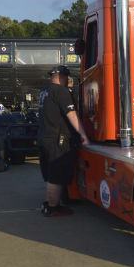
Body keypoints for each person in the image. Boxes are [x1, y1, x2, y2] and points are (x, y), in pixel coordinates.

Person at [38, 65, 89, 217]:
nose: (68, 81)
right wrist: (83, 135)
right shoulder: (61, 91)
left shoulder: (45, 91)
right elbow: (71, 114)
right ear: (62, 77)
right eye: (67, 78)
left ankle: (52, 204)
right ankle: (52, 208)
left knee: (51, 174)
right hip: (57, 139)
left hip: (44, 137)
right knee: (57, 175)